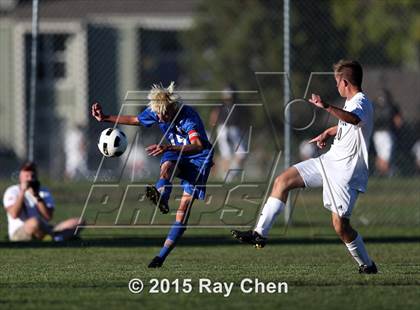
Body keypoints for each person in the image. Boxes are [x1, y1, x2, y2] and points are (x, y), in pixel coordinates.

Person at [232, 60, 378, 274]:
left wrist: (327, 106)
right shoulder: (351, 102)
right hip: (328, 162)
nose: (336, 86)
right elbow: (348, 125)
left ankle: (367, 265)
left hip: (345, 173)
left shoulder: (361, 102)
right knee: (283, 181)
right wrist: (329, 132)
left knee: (340, 227)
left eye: (337, 82)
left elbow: (355, 119)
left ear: (345, 82)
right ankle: (259, 233)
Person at [91, 82, 214, 268]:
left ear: (171, 108)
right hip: (175, 152)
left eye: (162, 114)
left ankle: (160, 257)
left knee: (183, 210)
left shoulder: (188, 116)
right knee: (166, 165)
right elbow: (135, 120)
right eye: (157, 114)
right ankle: (162, 198)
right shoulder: (159, 111)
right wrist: (105, 118)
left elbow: (198, 145)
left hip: (198, 158)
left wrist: (168, 146)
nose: (159, 118)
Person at [3, 162, 83, 241]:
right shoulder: (12, 191)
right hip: (21, 230)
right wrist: (22, 192)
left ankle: (55, 237)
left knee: (79, 222)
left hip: (44, 227)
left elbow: (48, 217)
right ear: (20, 176)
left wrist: (37, 196)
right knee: (35, 222)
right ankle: (59, 237)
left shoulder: (43, 191)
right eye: (27, 176)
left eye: (32, 176)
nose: (30, 179)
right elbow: (14, 214)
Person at [209, 84, 247, 182]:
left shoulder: (237, 105)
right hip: (224, 128)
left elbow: (213, 119)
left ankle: (230, 175)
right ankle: (228, 176)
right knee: (227, 154)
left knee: (240, 154)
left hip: (233, 129)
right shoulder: (220, 105)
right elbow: (213, 118)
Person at [372, 88, 403, 176]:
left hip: (376, 134)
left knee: (381, 156)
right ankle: (388, 174)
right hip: (387, 133)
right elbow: (399, 122)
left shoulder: (374, 106)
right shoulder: (392, 106)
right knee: (386, 157)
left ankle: (379, 174)